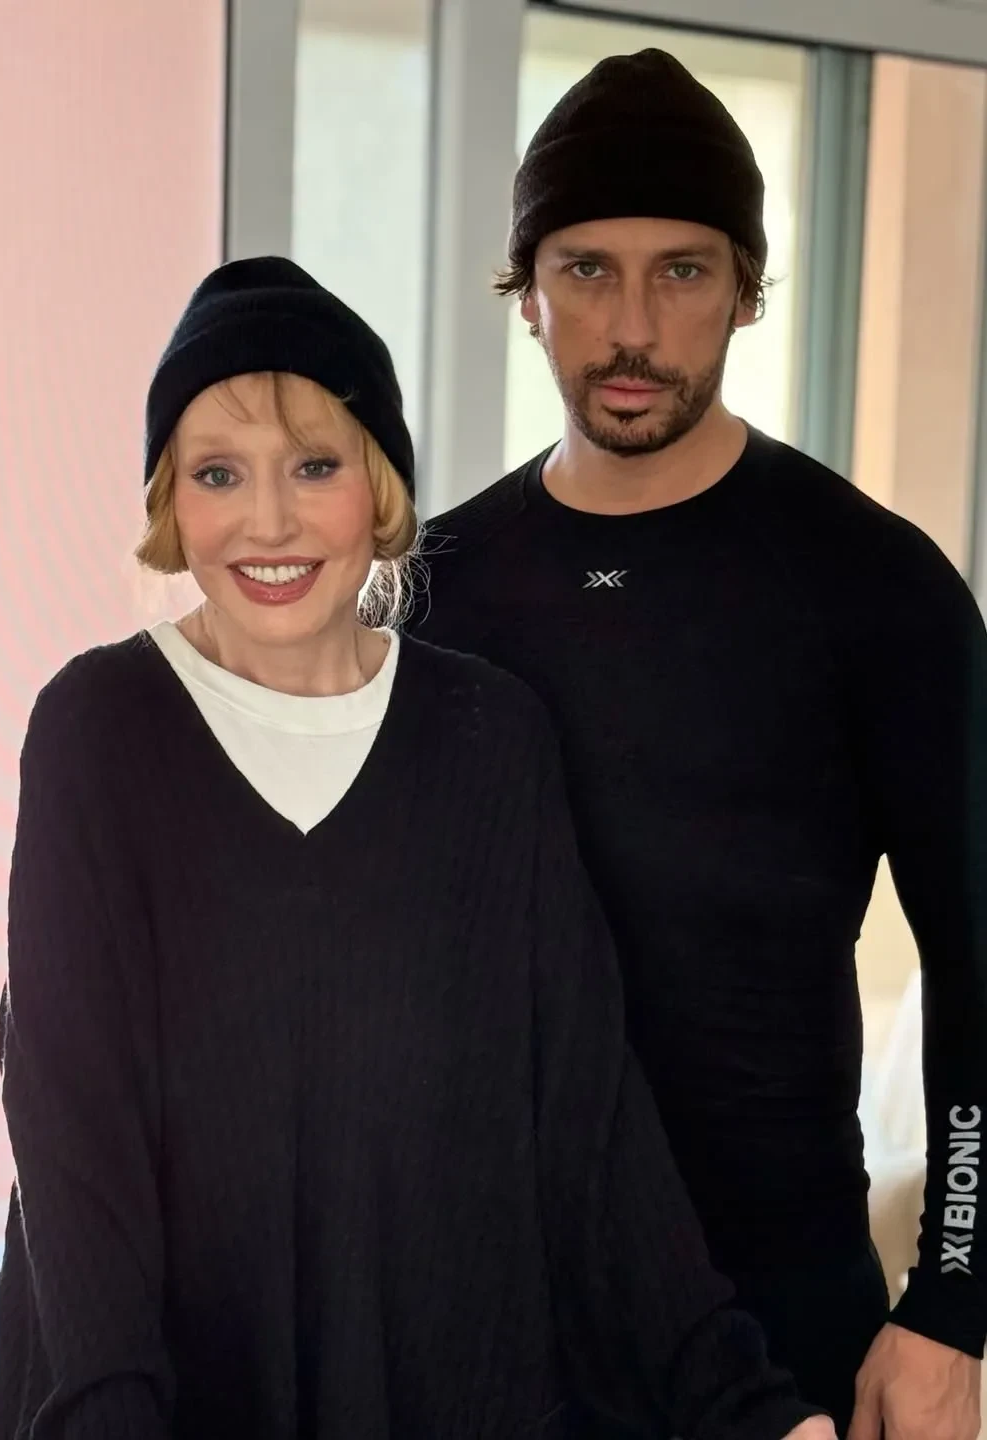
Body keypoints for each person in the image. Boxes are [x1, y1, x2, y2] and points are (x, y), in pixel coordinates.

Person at [0, 257, 834, 1440]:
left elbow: (585, 1121)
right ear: (172, 503)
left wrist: (746, 1406)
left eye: (315, 467)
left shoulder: (491, 738)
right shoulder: (97, 731)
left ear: (379, 488)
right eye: (219, 473)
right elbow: (74, 1138)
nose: (269, 521)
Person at [407, 49, 987, 1440]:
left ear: (744, 287)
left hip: (783, 1314)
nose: (632, 329)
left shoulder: (877, 585)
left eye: (682, 272)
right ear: (527, 289)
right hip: (495, 1313)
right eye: (587, 270)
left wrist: (953, 1304)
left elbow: (980, 958)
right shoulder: (434, 592)